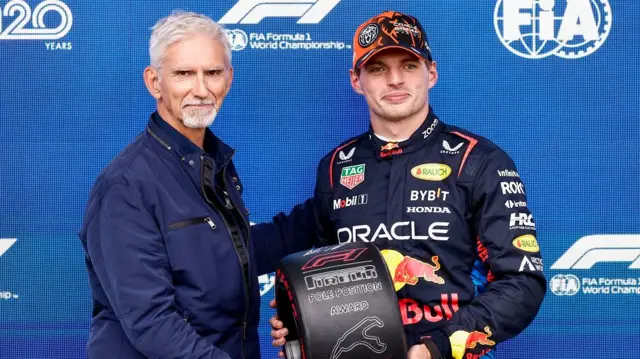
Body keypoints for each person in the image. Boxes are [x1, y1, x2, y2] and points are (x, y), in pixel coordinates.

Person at [265, 10, 546, 359]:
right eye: (378, 69)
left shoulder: (478, 161)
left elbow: (521, 283)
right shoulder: (337, 166)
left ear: (431, 73)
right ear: (356, 80)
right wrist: (300, 323)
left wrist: (438, 346)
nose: (395, 80)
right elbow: (326, 277)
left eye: (409, 66)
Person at [78, 11, 314, 359]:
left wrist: (331, 204)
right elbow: (152, 322)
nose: (201, 89)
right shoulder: (125, 186)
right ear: (155, 82)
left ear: (228, 79)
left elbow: (234, 252)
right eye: (184, 74)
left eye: (213, 73)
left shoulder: (212, 164)